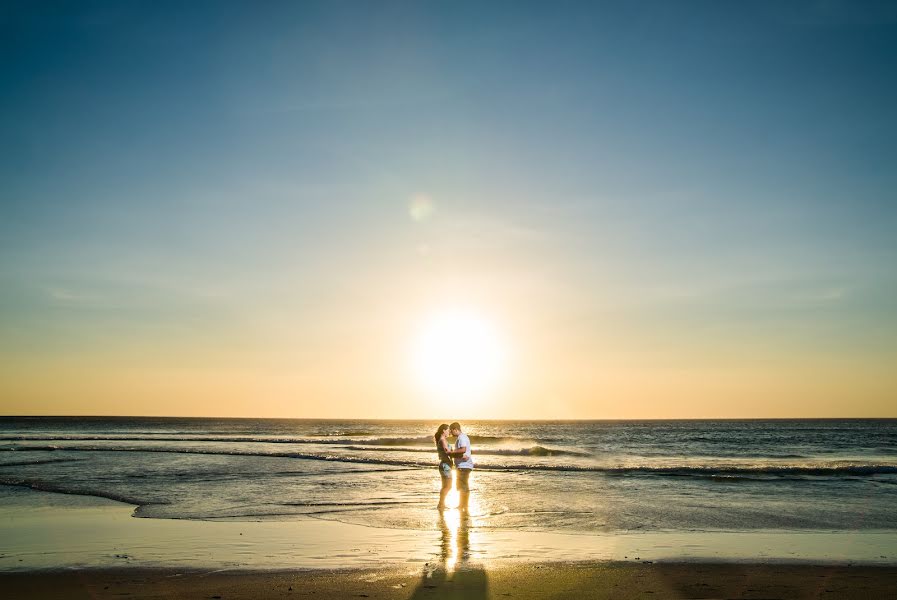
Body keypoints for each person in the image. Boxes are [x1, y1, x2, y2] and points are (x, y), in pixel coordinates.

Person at [449, 422, 473, 511]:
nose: (451, 433)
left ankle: (464, 505)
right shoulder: (462, 437)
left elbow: (463, 449)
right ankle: (462, 505)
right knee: (461, 486)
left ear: (455, 429)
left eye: (451, 431)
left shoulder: (462, 438)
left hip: (464, 465)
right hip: (463, 465)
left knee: (463, 486)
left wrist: (451, 453)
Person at [434, 423, 453, 510]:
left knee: (445, 486)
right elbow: (447, 451)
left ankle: (441, 504)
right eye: (448, 430)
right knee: (448, 486)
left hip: (444, 465)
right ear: (443, 431)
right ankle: (441, 504)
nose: (449, 432)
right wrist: (459, 454)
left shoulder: (442, 439)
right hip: (445, 466)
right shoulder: (442, 440)